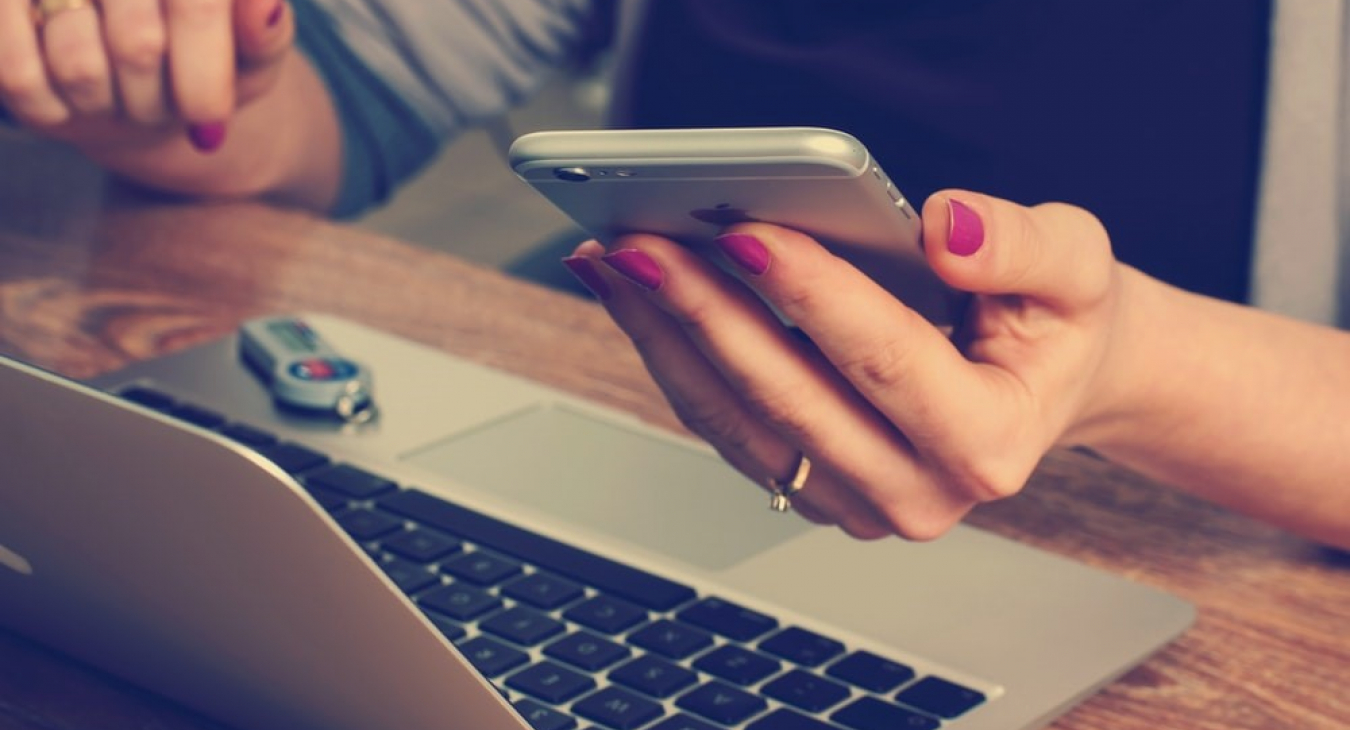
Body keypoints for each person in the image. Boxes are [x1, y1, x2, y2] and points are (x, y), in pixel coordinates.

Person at [1, 0, 1346, 549]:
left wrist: (1130, 366)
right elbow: (342, 104)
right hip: (641, 474)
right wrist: (181, 82)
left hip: (1202, 563)